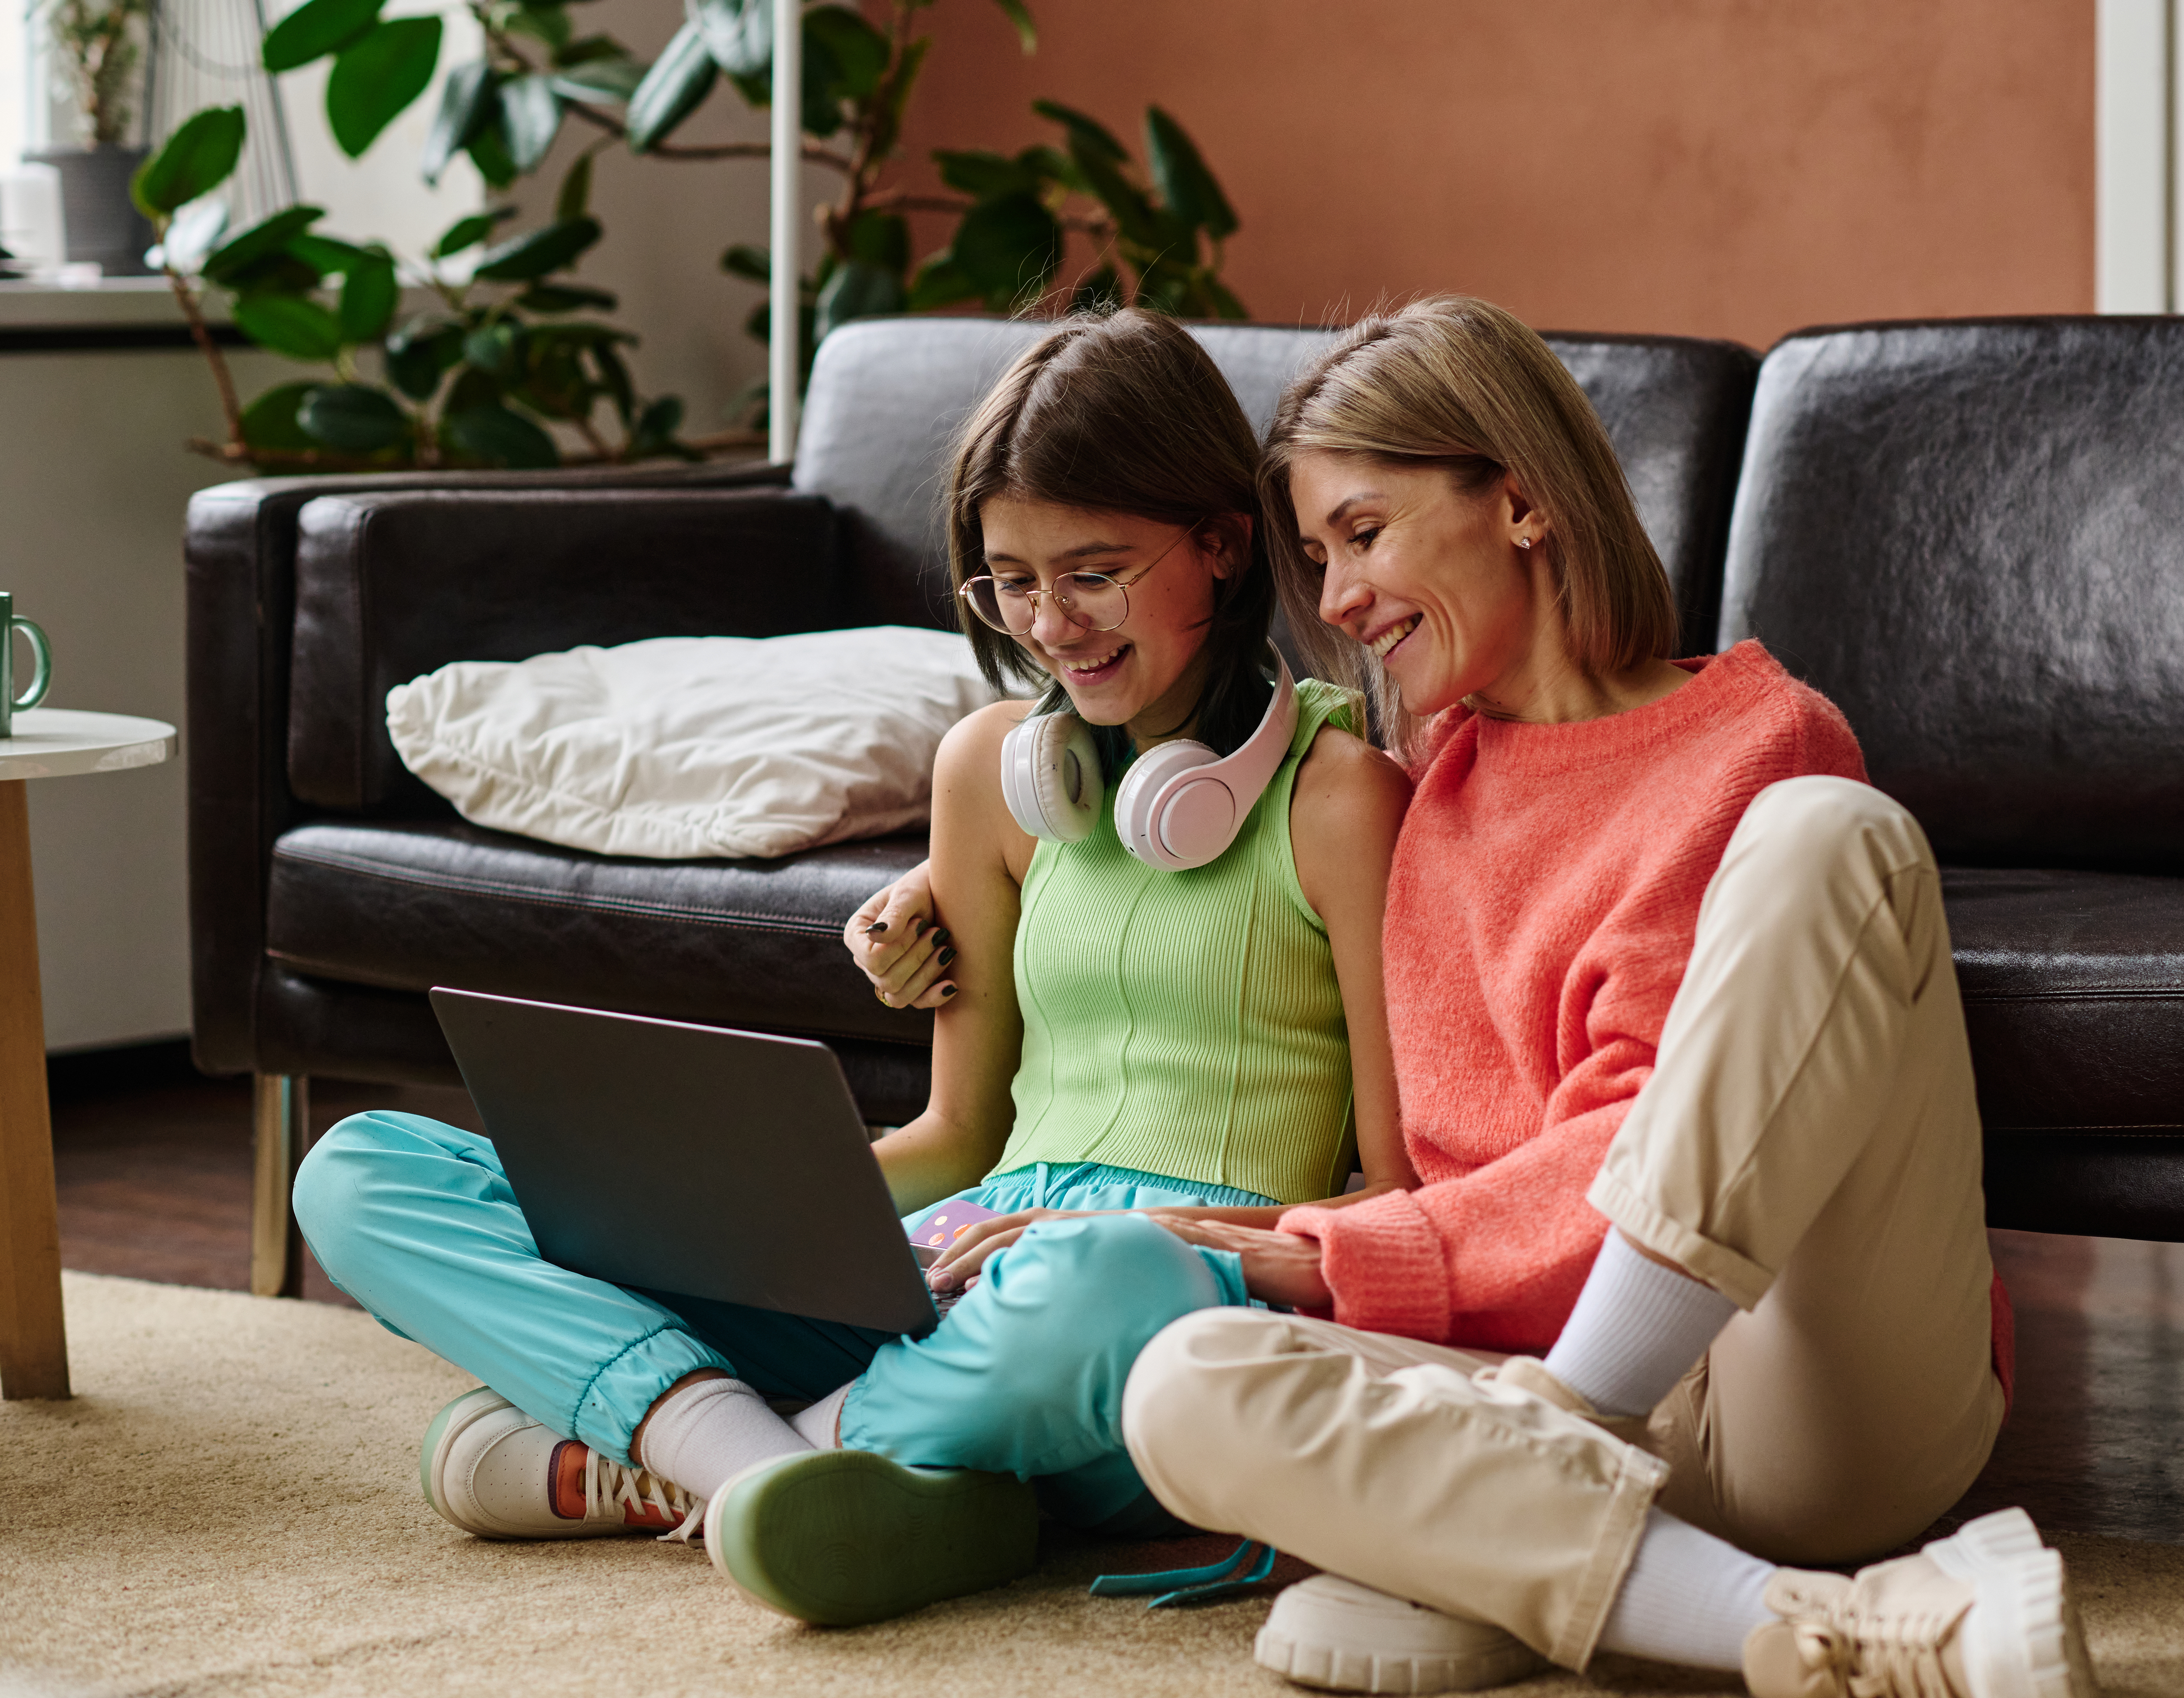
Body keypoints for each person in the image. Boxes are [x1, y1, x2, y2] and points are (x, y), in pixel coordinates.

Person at [1090, 298, 2108, 1698]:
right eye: (1316, 558)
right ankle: (1836, 1630)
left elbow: (1663, 1125)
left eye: (1364, 534)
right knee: (1180, 1387)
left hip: (1789, 1381)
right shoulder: (1417, 792)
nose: (1343, 595)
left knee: (1834, 835)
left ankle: (1526, 1477)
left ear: (1517, 498)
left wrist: (1345, 1254)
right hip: (1528, 1385)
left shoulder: (1761, 738)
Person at [289, 306, 1412, 1627]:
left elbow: (1390, 1201)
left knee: (1097, 1274)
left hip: (1143, 1310)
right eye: (1012, 581)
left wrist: (1122, 1232)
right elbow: (957, 1137)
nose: (1052, 623)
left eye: (1095, 572)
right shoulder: (996, 779)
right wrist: (728, 1209)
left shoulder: (1342, 798)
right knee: (364, 1170)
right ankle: (783, 1467)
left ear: (1221, 547)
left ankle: (688, 1451)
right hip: (946, 1278)